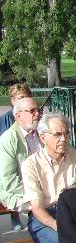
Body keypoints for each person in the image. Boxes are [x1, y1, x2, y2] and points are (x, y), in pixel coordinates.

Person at [21, 113, 76, 243]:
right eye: (57, 134)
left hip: (73, 213)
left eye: (66, 133)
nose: (63, 138)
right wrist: (59, 226)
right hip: (44, 219)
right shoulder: (31, 164)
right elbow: (37, 209)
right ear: (43, 138)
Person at [0, 98, 49, 243]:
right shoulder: (8, 140)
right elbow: (9, 182)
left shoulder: (41, 134)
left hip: (43, 189)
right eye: (32, 111)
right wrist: (37, 194)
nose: (37, 114)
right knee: (39, 210)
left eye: (38, 110)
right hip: (15, 193)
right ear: (18, 116)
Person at [0, 84, 32, 231]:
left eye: (26, 97)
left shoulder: (34, 116)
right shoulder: (5, 121)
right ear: (13, 101)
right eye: (20, 98)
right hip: (11, 159)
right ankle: (15, 214)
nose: (23, 100)